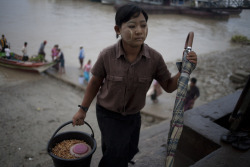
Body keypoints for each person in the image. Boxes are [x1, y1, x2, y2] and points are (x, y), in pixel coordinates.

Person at [72, 4, 197, 167]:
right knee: (115, 153)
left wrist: (185, 70)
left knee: (129, 149)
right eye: (132, 26)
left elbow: (168, 85)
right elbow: (95, 82)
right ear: (117, 29)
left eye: (143, 25)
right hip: (108, 113)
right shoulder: (107, 55)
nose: (139, 30)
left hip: (133, 114)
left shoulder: (155, 59)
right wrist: (83, 109)